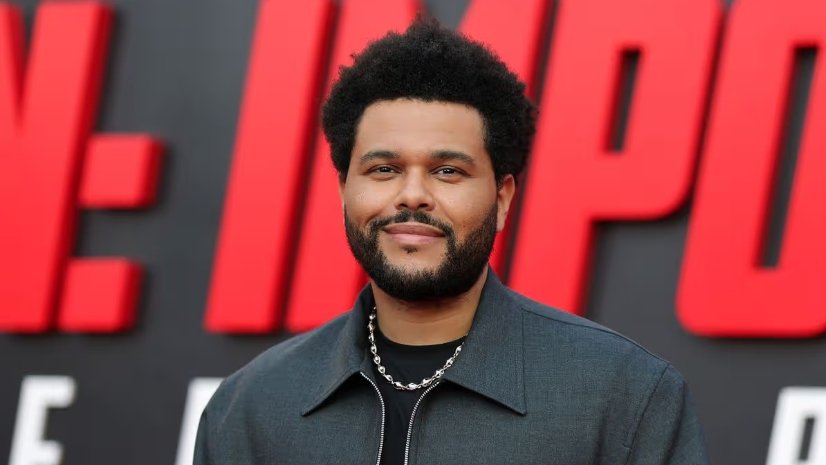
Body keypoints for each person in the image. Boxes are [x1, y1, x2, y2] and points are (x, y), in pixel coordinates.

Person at [194, 18, 709, 465]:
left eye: (447, 171)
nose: (413, 195)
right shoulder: (249, 407)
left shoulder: (625, 396)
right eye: (384, 169)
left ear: (502, 198)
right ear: (344, 189)